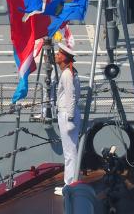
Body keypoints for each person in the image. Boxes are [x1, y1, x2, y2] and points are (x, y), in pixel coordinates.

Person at [54, 43, 81, 196]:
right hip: (68, 113)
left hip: (67, 114)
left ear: (64, 57)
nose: (56, 55)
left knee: (70, 152)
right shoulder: (71, 72)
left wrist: (70, 117)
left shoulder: (66, 74)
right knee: (69, 151)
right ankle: (68, 183)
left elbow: (71, 96)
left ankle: (71, 185)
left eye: (59, 54)